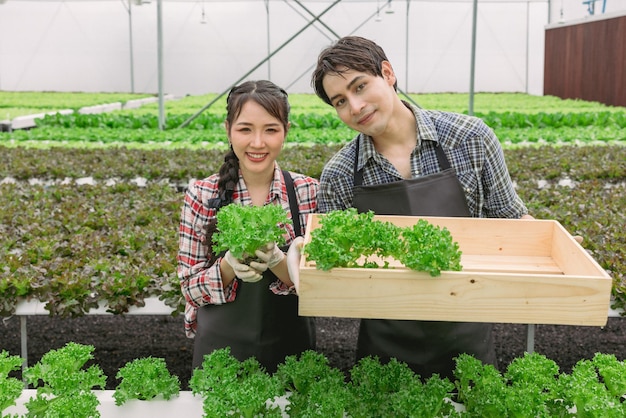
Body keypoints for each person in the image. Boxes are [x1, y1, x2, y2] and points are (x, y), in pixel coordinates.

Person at [310, 36, 533, 381]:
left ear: (387, 73)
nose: (355, 106)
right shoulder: (339, 175)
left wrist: (552, 242)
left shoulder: (470, 138)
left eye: (360, 86)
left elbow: (512, 221)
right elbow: (332, 272)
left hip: (467, 337)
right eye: (340, 101)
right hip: (384, 350)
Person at [177, 80, 318, 373]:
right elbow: (190, 288)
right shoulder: (202, 194)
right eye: (245, 129)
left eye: (270, 129)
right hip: (221, 354)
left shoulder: (307, 192)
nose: (257, 143)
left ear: (286, 131)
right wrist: (228, 266)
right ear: (228, 129)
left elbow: (320, 288)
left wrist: (282, 262)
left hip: (291, 356)